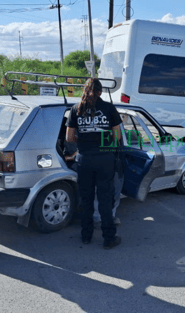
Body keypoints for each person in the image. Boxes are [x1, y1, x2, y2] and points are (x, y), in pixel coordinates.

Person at [65, 78, 122, 249]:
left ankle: (86, 236)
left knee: (86, 199)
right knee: (105, 199)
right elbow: (117, 136)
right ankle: (109, 238)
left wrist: (83, 139)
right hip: (105, 159)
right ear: (100, 91)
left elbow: (69, 138)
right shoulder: (109, 108)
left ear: (84, 90)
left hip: (84, 160)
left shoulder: (76, 109)